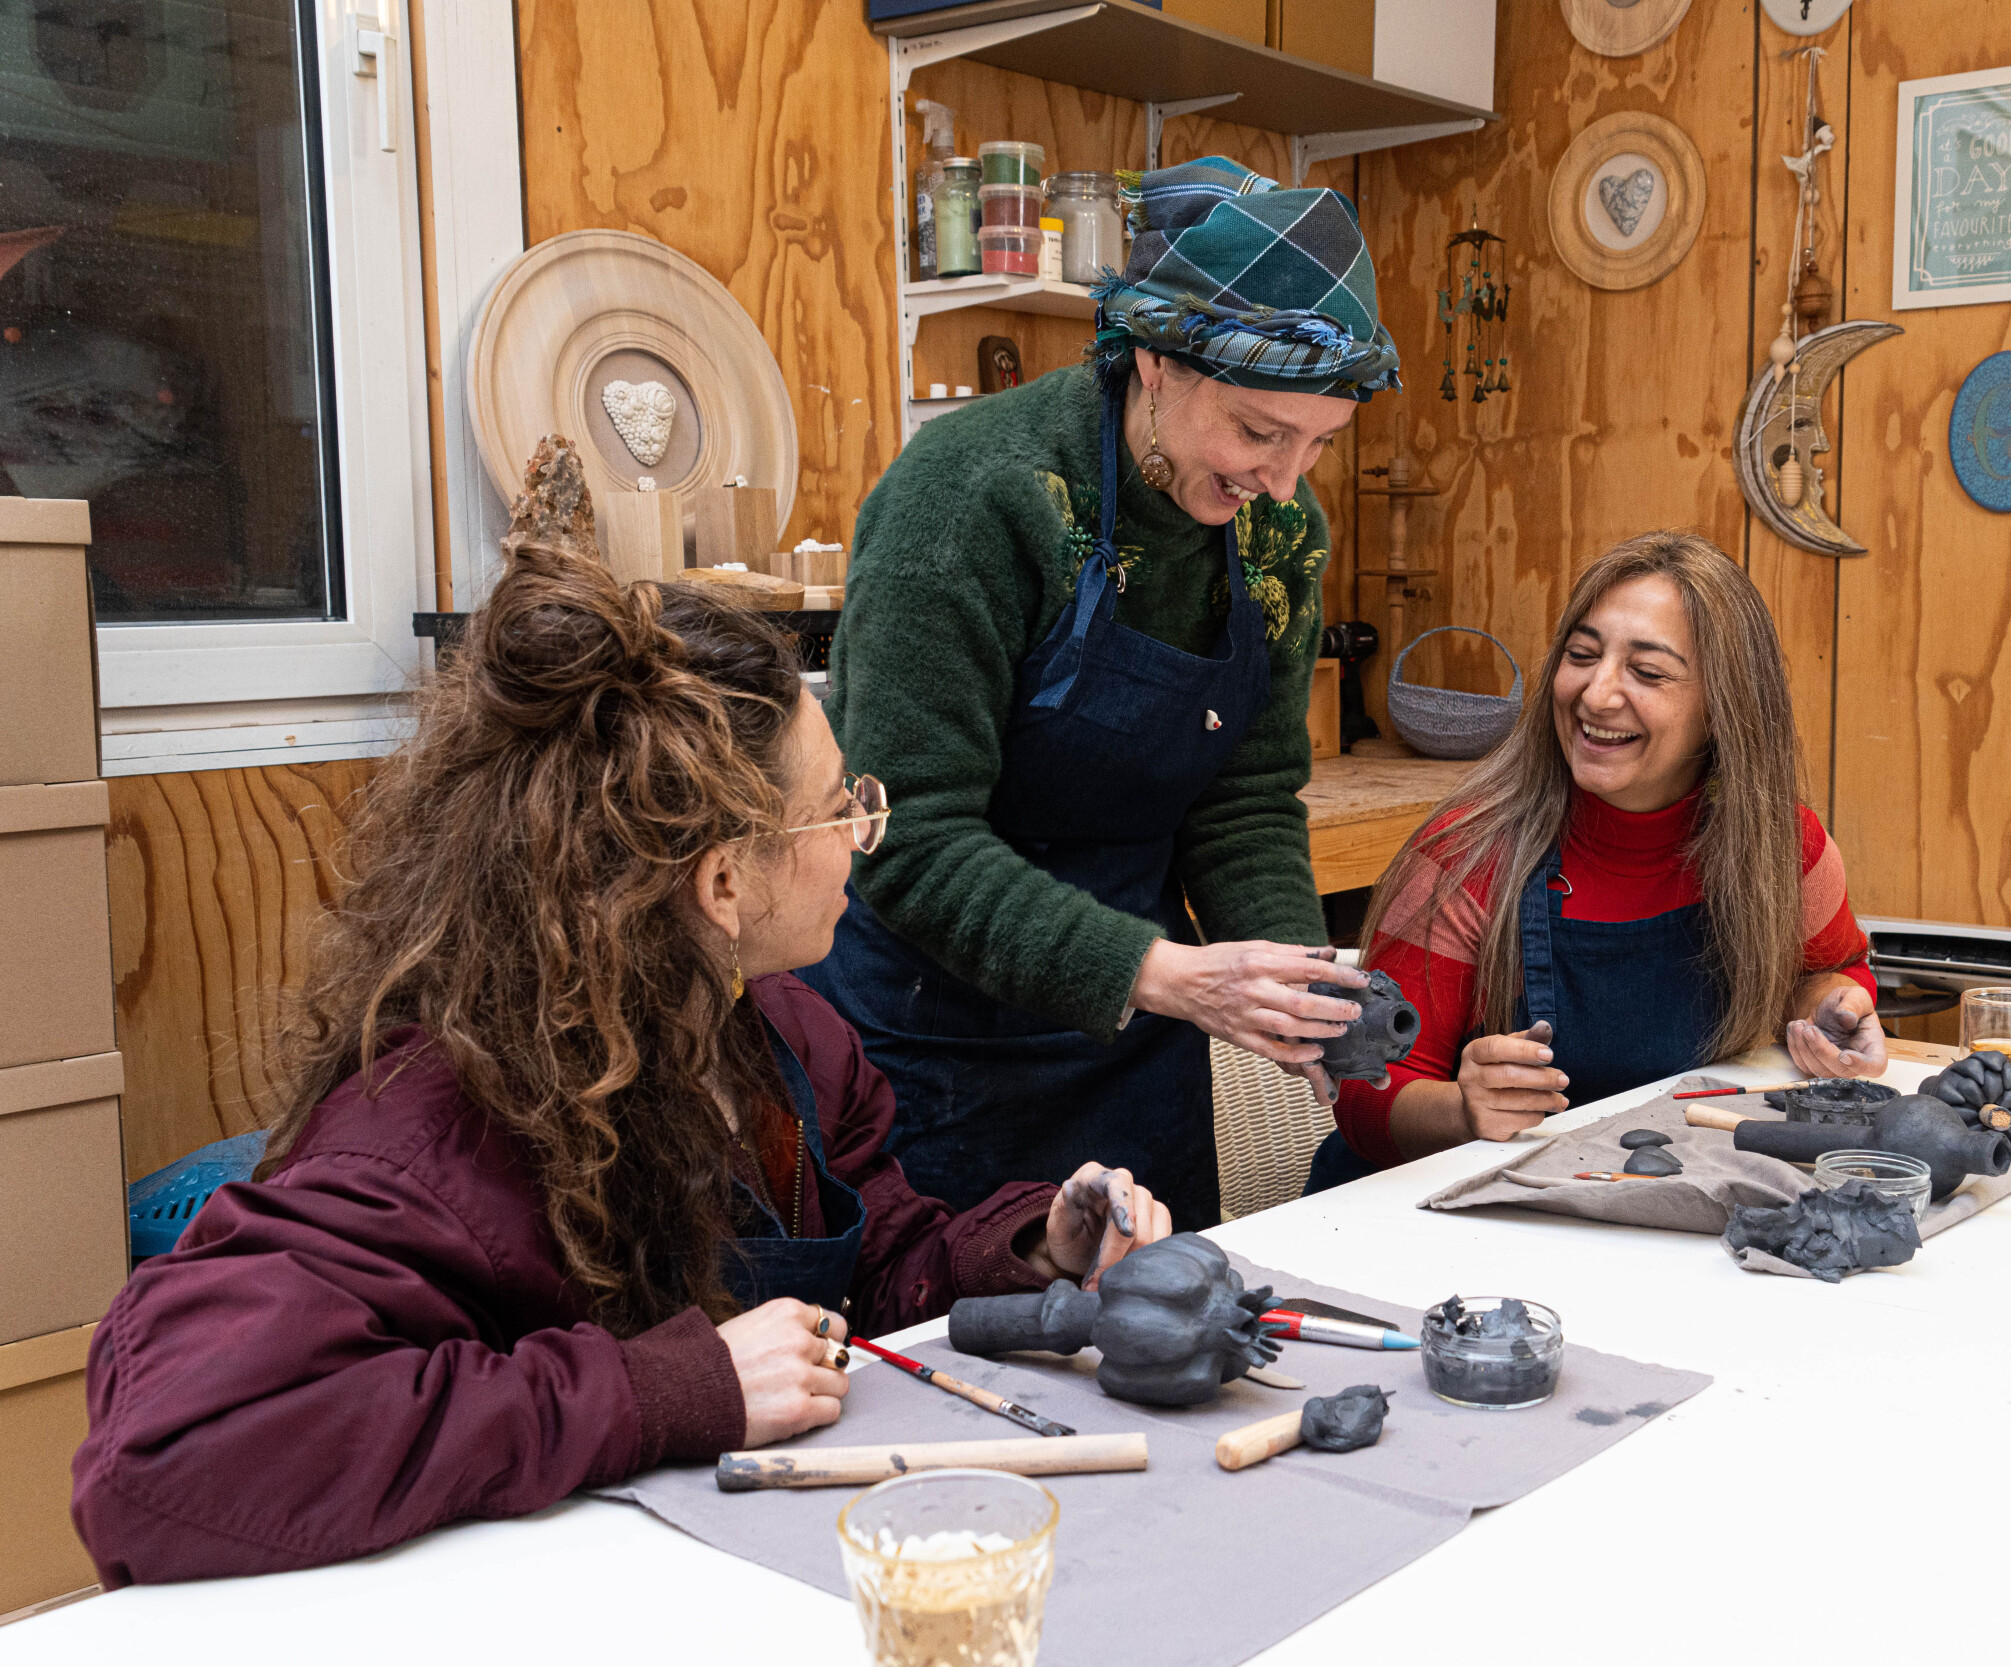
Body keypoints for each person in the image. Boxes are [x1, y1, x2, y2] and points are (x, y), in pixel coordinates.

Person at [70, 545, 1172, 1586]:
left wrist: (1028, 1244)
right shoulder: (434, 1135)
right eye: (839, 806)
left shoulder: (783, 1034)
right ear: (724, 879)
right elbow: (159, 1460)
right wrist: (661, 1393)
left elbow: (859, 1264)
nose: (859, 831)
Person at [807, 157, 1402, 1229]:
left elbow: (1244, 800)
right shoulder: (973, 496)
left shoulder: (1276, 535)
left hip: (1132, 1045)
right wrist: (1166, 974)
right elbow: (906, 834)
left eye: (1320, 442)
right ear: (1156, 364)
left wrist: (1301, 994)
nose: (1283, 481)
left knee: (1158, 1337)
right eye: (1260, 431)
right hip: (933, 1040)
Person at [1311, 531, 1884, 1184]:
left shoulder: (1786, 849)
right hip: (1438, 1216)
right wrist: (1464, 1110)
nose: (1595, 693)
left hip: (1649, 1201)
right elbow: (1363, 1092)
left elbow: (1833, 969)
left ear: (1723, 709)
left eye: (1647, 672)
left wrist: (1836, 1011)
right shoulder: (1463, 858)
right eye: (1582, 655)